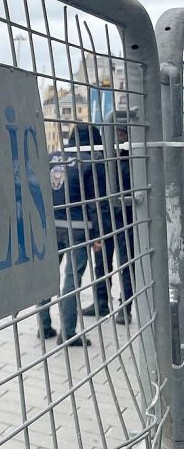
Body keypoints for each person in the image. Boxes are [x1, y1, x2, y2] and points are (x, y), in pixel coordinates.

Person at [38, 124, 110, 347]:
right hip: (78, 227)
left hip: (50, 226)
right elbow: (96, 201)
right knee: (72, 279)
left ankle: (44, 326)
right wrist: (98, 234)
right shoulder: (90, 161)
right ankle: (68, 332)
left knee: (47, 277)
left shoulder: (51, 158)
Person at [85, 120, 135, 324]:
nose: (118, 137)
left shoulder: (132, 160)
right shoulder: (102, 160)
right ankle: (100, 303)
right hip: (105, 219)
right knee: (100, 264)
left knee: (126, 265)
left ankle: (125, 308)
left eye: (122, 134)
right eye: (116, 133)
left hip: (126, 219)